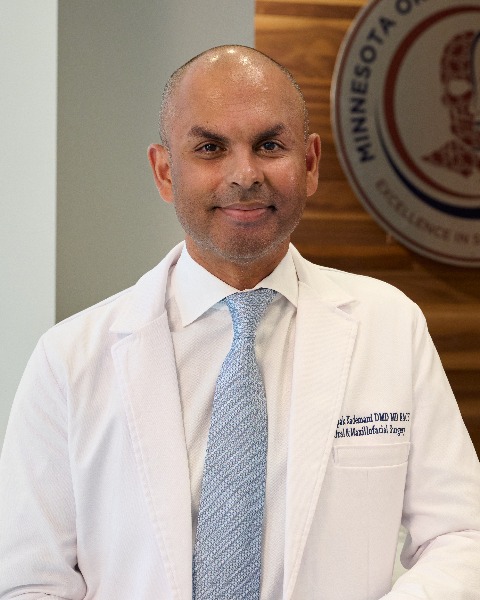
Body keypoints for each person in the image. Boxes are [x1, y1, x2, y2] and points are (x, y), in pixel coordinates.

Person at [0, 45, 479, 600]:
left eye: (270, 145)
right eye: (210, 148)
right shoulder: (68, 359)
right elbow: (30, 580)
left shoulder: (390, 326)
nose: (245, 174)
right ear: (164, 172)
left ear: (310, 163)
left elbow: (461, 535)